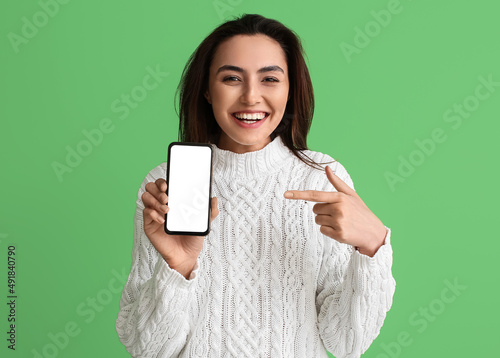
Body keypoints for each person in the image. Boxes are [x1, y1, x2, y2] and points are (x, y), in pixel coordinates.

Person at [116, 13, 396, 358]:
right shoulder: (166, 185)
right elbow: (148, 349)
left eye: (269, 79)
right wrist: (179, 265)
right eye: (232, 78)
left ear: (290, 89)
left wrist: (372, 246)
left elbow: (347, 344)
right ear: (206, 89)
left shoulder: (322, 177)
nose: (251, 97)